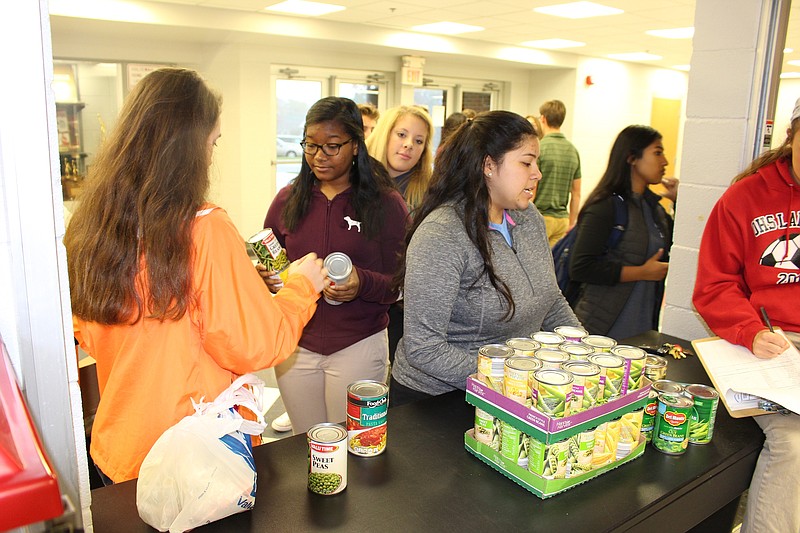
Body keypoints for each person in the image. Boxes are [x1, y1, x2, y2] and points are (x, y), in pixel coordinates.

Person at [65, 68, 326, 484]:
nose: (211, 154)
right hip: (197, 456)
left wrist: (238, 288)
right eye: (213, 141)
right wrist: (302, 287)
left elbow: (107, 328)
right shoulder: (205, 227)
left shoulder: (93, 227)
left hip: (122, 449)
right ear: (188, 146)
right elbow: (254, 345)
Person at [390, 111, 581, 405]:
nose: (537, 173)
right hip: (437, 400)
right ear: (489, 165)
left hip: (507, 391)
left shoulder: (530, 219)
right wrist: (511, 378)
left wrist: (581, 352)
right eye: (526, 162)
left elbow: (551, 299)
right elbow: (424, 348)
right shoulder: (443, 234)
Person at [259, 96, 408, 435]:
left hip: (357, 344)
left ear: (355, 145)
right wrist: (267, 277)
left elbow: (402, 283)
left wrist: (362, 283)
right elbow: (272, 259)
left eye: (332, 146)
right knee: (307, 444)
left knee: (355, 445)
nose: (319, 157)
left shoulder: (385, 204)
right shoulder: (288, 198)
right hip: (296, 345)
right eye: (310, 146)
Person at [693, 98, 800, 533]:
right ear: (792, 137)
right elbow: (713, 287)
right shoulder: (745, 197)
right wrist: (750, 331)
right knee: (794, 443)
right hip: (768, 344)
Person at [568, 125, 674, 339]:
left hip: (643, 328)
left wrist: (679, 200)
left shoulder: (655, 209)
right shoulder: (606, 206)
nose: (665, 162)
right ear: (632, 158)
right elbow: (580, 267)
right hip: (602, 331)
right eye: (657, 152)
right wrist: (641, 272)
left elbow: (674, 250)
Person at [366, 105, 434, 213]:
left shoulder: (431, 193)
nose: (409, 144)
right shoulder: (354, 178)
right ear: (384, 135)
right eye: (401, 135)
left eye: (419, 141)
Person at [534, 100, 582, 246]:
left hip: (541, 217)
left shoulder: (540, 148)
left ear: (543, 118)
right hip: (563, 221)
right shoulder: (573, 150)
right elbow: (576, 193)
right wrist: (571, 223)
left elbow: (532, 188)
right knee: (555, 266)